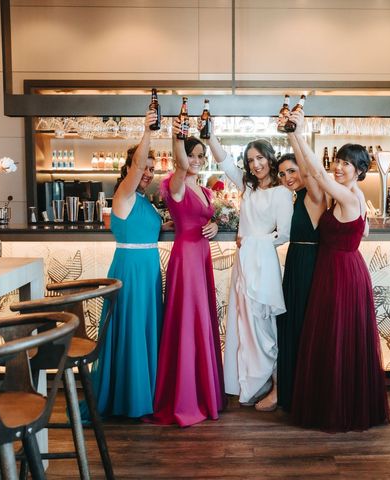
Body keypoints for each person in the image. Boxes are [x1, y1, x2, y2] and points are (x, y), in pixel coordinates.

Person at [288, 109, 390, 432]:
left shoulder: (347, 196)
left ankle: (335, 407)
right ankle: (344, 401)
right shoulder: (357, 196)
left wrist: (300, 134)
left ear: (360, 171)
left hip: (339, 273)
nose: (339, 167)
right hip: (346, 268)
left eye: (347, 164)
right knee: (342, 338)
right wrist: (294, 136)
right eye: (339, 161)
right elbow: (363, 232)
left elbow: (316, 174)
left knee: (336, 337)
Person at [206, 128, 293, 411]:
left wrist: (253, 241)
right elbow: (225, 162)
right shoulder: (249, 189)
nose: (256, 164)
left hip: (264, 264)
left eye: (260, 158)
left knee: (263, 326)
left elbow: (284, 233)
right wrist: (210, 136)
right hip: (243, 264)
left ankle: (268, 381)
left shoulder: (281, 193)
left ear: (269, 158)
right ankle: (249, 382)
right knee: (242, 323)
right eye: (251, 159)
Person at [87, 110, 164, 420]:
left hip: (148, 270)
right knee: (131, 329)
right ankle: (131, 399)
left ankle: (146, 392)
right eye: (143, 168)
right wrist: (148, 132)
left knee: (145, 328)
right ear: (131, 168)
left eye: (152, 169)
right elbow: (135, 167)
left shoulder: (143, 199)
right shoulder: (125, 192)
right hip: (130, 269)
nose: (148, 173)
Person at [152, 119, 226, 427]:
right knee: (187, 321)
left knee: (201, 318)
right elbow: (180, 165)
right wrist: (176, 135)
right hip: (185, 258)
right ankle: (185, 396)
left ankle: (204, 391)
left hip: (202, 255)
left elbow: (208, 219)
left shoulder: (206, 190)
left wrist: (217, 225)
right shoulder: (175, 183)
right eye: (191, 155)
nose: (195, 161)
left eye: (200, 156)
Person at [275, 133, 326, 412]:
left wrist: (294, 134)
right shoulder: (295, 199)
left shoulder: (314, 195)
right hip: (296, 262)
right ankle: (292, 391)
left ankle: (306, 393)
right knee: (291, 326)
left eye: (292, 171)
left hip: (310, 264)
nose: (287, 177)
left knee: (304, 326)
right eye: (282, 174)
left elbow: (308, 169)